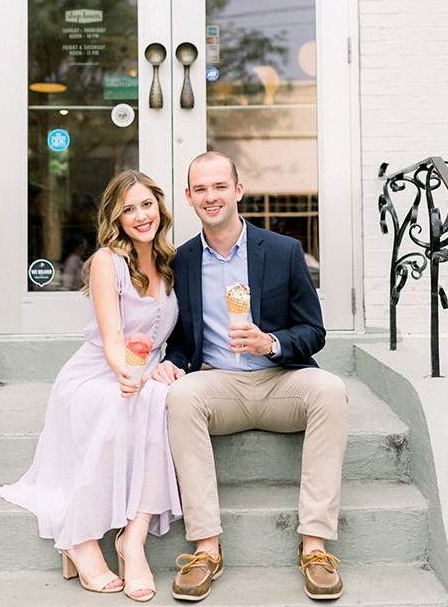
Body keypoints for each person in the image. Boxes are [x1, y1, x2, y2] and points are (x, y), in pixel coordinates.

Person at [151, 152, 348, 602]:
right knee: (178, 397)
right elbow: (182, 341)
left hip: (281, 380)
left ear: (238, 191)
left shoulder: (282, 251)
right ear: (188, 198)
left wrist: (270, 343)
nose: (210, 196)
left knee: (331, 390)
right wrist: (172, 363)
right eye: (200, 189)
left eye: (219, 186)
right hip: (219, 383)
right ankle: (206, 548)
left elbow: (313, 332)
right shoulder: (179, 262)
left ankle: (315, 547)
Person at [0, 170, 182, 601]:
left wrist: (164, 369)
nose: (140, 216)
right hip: (96, 374)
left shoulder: (170, 265)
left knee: (164, 398)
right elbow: (113, 339)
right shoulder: (106, 262)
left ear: (160, 206)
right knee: (140, 400)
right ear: (115, 218)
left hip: (146, 373)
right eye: (128, 209)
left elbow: (169, 341)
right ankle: (79, 539)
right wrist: (128, 375)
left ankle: (131, 541)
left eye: (147, 204)